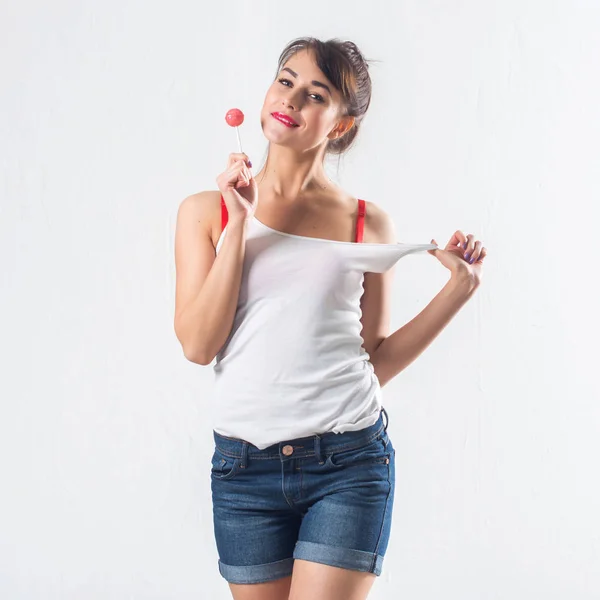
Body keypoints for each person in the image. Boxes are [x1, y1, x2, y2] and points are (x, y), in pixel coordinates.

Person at [174, 36, 486, 600]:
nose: (290, 99)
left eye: (315, 94)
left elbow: (376, 358)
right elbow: (199, 345)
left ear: (340, 126)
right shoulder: (208, 210)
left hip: (346, 461)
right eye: (286, 80)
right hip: (243, 472)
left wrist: (457, 291)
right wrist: (240, 226)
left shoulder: (366, 222)